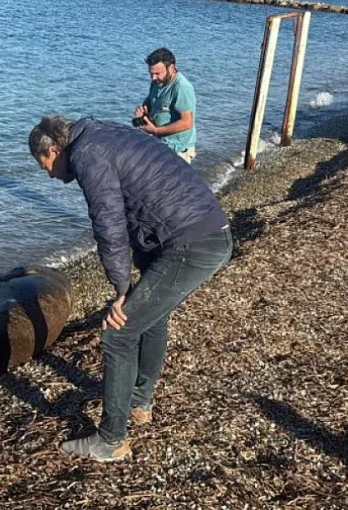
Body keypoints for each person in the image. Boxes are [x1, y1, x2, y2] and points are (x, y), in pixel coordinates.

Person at [29, 115, 232, 462]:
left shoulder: (86, 154)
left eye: (44, 164)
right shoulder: (102, 134)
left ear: (54, 149)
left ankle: (111, 439)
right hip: (202, 230)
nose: (49, 174)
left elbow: (108, 223)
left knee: (117, 334)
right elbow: (134, 203)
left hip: (192, 241)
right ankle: (140, 403)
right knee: (151, 318)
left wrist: (121, 289)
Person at [133, 48, 197, 164]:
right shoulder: (157, 82)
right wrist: (144, 109)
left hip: (178, 149)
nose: (153, 78)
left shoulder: (182, 87)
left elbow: (187, 123)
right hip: (160, 143)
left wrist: (156, 130)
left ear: (171, 68)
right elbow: (150, 98)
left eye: (158, 73)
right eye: (151, 74)